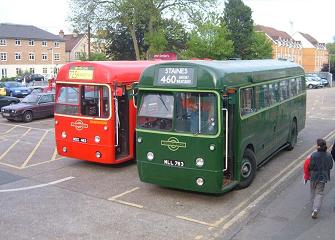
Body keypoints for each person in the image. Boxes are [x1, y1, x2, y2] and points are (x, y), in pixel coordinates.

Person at [308, 138, 333, 219]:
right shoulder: (329, 155)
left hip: (314, 177)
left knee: (313, 191)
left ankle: (313, 207)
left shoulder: (314, 155)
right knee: (319, 193)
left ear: (318, 146)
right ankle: (315, 209)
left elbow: (311, 166)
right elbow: (330, 166)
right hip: (323, 177)